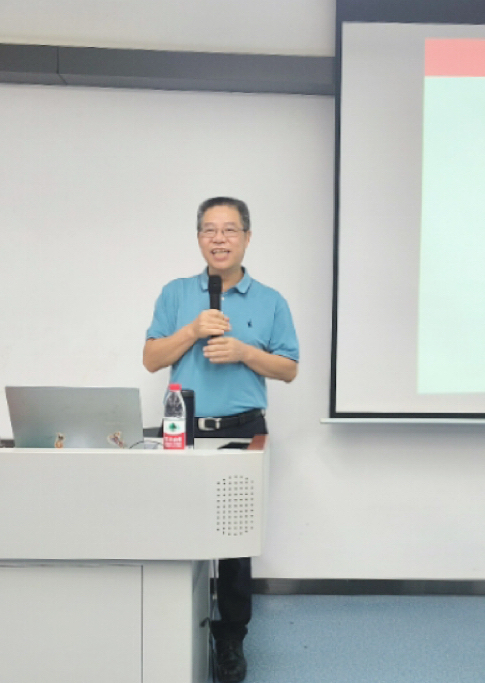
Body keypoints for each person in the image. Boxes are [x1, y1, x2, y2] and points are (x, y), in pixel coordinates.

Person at [143, 196, 299, 683]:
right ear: (198, 239)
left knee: (233, 543)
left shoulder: (271, 300)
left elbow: (289, 369)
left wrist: (245, 352)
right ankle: (170, 622)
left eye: (230, 230)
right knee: (174, 531)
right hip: (182, 428)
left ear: (247, 238)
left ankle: (230, 638)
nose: (219, 239)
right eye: (209, 230)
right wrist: (192, 330)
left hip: (242, 431)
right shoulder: (175, 293)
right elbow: (151, 358)